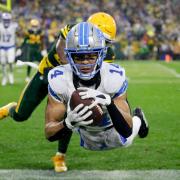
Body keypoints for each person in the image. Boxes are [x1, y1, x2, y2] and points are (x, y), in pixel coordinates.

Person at [0, 12, 117, 172]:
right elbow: (61, 53)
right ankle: (9, 109)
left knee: (70, 117)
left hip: (71, 81)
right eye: (101, 38)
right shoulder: (72, 31)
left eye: (106, 41)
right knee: (21, 115)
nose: (103, 44)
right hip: (49, 72)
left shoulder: (107, 54)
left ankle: (60, 156)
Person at [45, 22, 149, 169]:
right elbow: (49, 133)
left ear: (101, 54)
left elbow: (126, 130)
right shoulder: (60, 79)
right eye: (79, 57)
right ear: (69, 56)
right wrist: (67, 123)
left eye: (91, 56)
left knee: (127, 141)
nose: (85, 62)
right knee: (91, 143)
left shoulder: (113, 77)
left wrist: (110, 103)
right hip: (86, 132)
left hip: (113, 127)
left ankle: (139, 119)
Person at [0, 12, 18, 86]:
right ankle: (4, 77)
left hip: (11, 46)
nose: (6, 21)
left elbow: (18, 28)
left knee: (10, 62)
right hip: (2, 47)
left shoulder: (14, 26)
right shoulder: (0, 26)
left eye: (8, 19)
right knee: (3, 63)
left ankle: (11, 76)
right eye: (5, 19)